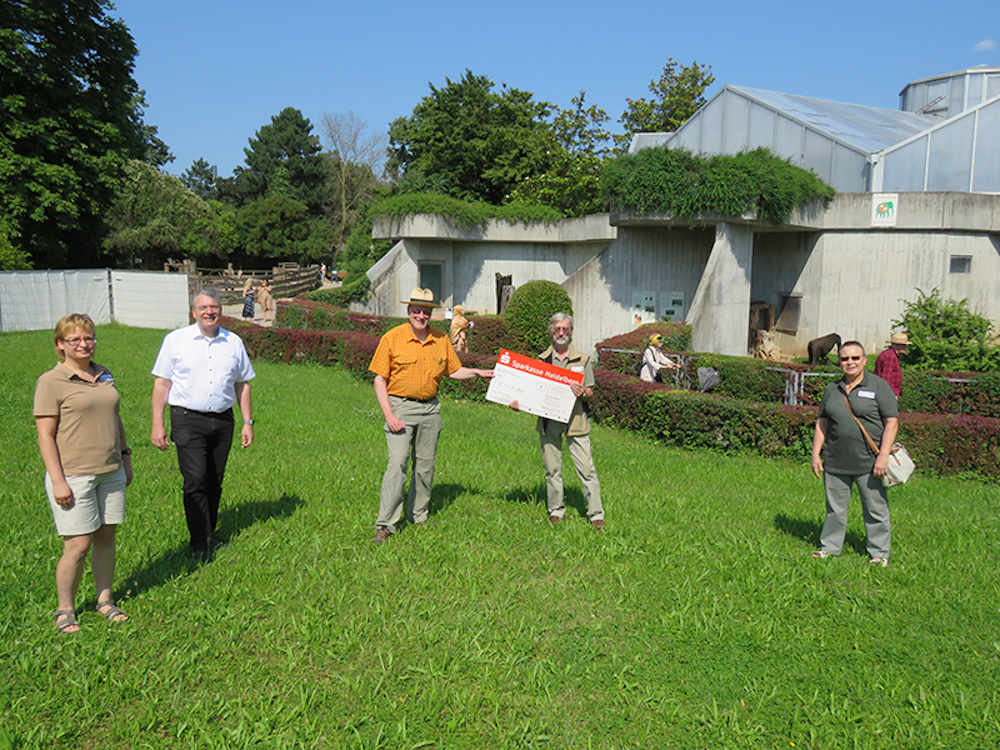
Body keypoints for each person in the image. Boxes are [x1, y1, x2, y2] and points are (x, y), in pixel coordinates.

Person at [34, 314, 133, 632]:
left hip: (110, 470)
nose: (83, 344)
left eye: (88, 338)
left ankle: (105, 600)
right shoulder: (51, 381)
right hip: (74, 476)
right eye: (75, 339)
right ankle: (65, 609)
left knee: (106, 538)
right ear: (60, 345)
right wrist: (59, 480)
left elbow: (115, 419)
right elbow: (45, 435)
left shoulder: (104, 374)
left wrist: (126, 457)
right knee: (77, 545)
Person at [369, 288, 493, 543]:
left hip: (430, 410)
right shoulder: (392, 338)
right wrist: (389, 414)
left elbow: (453, 371)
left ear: (430, 314)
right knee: (397, 465)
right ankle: (386, 524)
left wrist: (479, 372)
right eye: (416, 310)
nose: (421, 315)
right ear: (408, 311)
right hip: (401, 407)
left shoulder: (440, 339)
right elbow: (379, 380)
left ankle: (419, 515)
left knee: (425, 466)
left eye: (426, 311)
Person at [151, 289, 256, 562]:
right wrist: (157, 424)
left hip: (223, 420)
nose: (210, 312)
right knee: (195, 480)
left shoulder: (233, 342)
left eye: (215, 307)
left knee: (214, 480)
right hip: (187, 419)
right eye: (204, 308)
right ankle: (198, 543)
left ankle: (209, 533)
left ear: (220, 311)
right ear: (194, 312)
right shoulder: (175, 341)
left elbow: (242, 383)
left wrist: (247, 422)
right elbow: (162, 384)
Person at [811, 340, 899, 566]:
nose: (850, 362)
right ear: (839, 362)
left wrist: (883, 455)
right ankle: (829, 548)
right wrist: (815, 454)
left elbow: (892, 422)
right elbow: (822, 422)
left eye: (855, 358)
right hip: (835, 460)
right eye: (845, 358)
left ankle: (879, 554)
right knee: (835, 510)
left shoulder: (878, 386)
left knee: (875, 509)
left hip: (869, 463)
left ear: (864, 361)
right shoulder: (832, 389)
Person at [529, 313, 605, 528]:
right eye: (557, 329)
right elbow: (533, 390)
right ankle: (556, 509)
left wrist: (583, 392)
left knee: (587, 469)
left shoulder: (582, 358)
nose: (561, 333)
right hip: (549, 421)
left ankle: (596, 514)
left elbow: (591, 390)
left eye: (565, 329)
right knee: (552, 469)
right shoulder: (542, 359)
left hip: (576, 420)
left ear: (571, 331)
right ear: (551, 331)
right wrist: (518, 401)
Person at [875, 332, 908, 397]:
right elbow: (886, 378)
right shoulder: (890, 356)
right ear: (897, 345)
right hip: (888, 394)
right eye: (904, 345)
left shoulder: (891, 354)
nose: (905, 347)